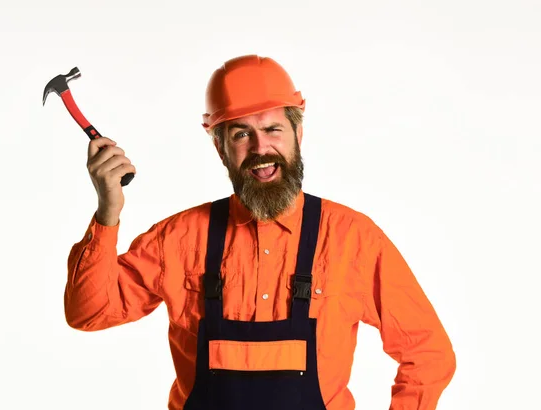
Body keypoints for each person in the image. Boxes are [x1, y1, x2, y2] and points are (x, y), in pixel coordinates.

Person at [64, 54, 456, 410]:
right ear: (220, 148)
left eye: (273, 129)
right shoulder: (179, 239)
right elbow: (90, 313)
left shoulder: (352, 239)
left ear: (298, 135)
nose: (260, 147)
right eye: (240, 134)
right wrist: (108, 213)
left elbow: (428, 353)